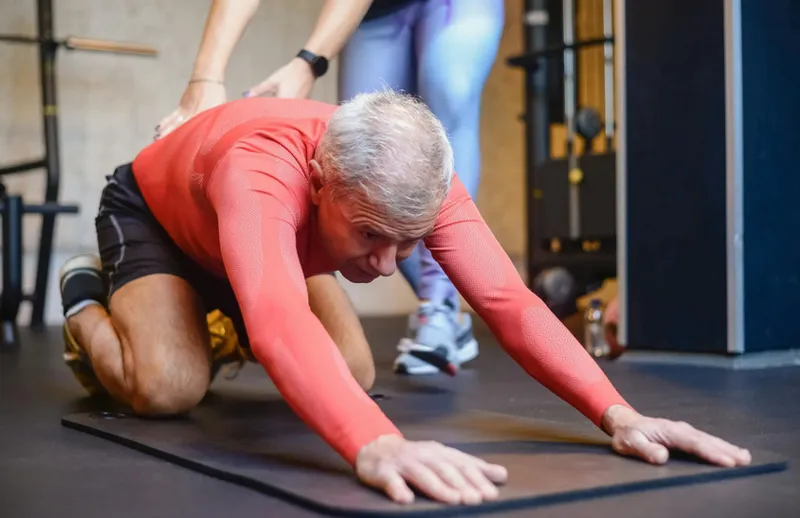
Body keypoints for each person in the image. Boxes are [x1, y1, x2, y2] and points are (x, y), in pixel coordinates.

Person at [64, 90, 751, 507]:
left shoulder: (416, 182)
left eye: (409, 241)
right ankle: (89, 298)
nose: (388, 265)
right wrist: (377, 446)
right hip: (161, 218)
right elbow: (278, 321)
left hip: (262, 244)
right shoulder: (263, 171)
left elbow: (508, 301)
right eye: (371, 236)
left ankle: (204, 315)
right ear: (318, 181)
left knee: (354, 375)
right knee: (166, 388)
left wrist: (619, 414)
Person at [155, 0, 504, 375]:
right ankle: (439, 302)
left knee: (449, 84)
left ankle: (439, 307)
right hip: (378, 14)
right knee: (369, 169)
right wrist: (206, 78)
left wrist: (309, 61)